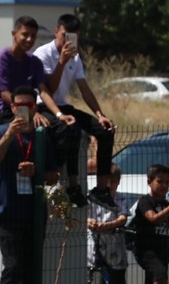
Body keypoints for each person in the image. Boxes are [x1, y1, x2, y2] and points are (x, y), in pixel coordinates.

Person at [33, 13, 116, 200]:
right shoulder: (43, 54)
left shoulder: (76, 58)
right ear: (56, 32)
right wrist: (61, 62)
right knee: (71, 128)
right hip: (44, 105)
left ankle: (101, 189)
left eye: (72, 37)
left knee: (105, 130)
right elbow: (48, 90)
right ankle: (70, 183)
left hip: (63, 104)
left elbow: (84, 89)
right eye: (64, 35)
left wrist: (100, 114)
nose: (67, 41)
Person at [0, 87, 45, 284]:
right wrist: (9, 134)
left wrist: (36, 171)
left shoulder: (41, 134)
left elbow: (52, 175)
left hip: (33, 213)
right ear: (12, 108)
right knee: (13, 265)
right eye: (19, 106)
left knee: (30, 269)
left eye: (29, 106)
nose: (24, 110)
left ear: (35, 108)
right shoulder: (0, 131)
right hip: (7, 214)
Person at [0, 17, 74, 133]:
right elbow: (5, 94)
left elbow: (44, 91)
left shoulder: (34, 61)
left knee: (63, 127)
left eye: (33, 36)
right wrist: (30, 112)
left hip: (28, 109)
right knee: (40, 128)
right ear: (14, 34)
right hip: (5, 110)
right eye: (25, 34)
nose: (29, 39)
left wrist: (59, 114)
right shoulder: (2, 58)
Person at [86, 163, 128, 284]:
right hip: (96, 250)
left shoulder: (121, 198)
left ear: (116, 182)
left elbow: (123, 218)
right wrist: (90, 222)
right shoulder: (92, 197)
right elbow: (85, 216)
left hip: (115, 250)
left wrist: (107, 225)